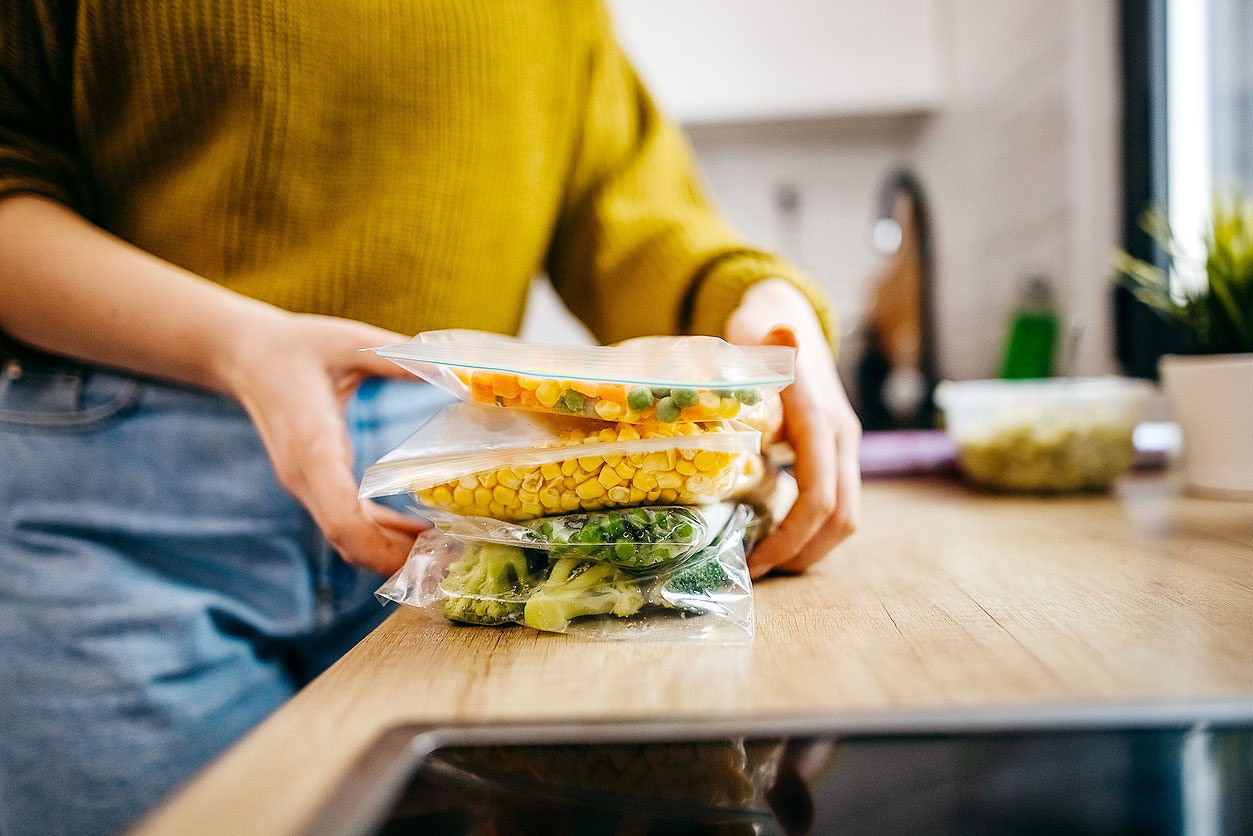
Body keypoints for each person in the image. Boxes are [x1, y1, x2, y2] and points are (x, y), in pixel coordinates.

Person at [0, 2, 862, 834]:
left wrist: (761, 306)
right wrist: (238, 345)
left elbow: (627, 212)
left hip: (475, 513)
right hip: (119, 520)